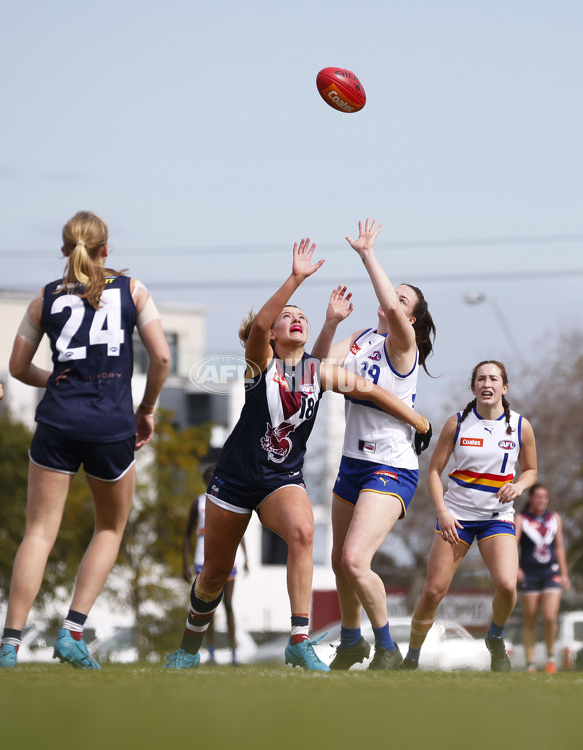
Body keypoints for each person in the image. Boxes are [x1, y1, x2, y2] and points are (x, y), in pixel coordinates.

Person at [163, 236, 431, 671]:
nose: (296, 319)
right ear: (271, 334)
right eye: (288, 317)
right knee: (213, 574)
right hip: (234, 478)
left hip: (279, 480)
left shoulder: (317, 371)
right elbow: (257, 328)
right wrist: (295, 279)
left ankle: (298, 639)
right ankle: (188, 649)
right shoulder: (259, 362)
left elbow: (371, 389)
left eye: (301, 316)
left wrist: (418, 421)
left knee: (305, 533)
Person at [0, 210, 171, 670]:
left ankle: (9, 647)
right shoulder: (133, 290)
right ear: (106, 250)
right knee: (110, 528)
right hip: (111, 428)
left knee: (38, 532)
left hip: (57, 422)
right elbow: (163, 357)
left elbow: (16, 368)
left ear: (63, 249)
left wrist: (56, 379)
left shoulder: (44, 299)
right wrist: (146, 410)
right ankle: (72, 632)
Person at [310, 218, 435, 670]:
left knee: (354, 559)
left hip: (391, 466)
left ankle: (386, 647)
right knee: (339, 562)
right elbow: (317, 367)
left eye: (402, 299)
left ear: (411, 317)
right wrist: (328, 323)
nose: (391, 301)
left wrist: (368, 255)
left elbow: (394, 310)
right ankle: (350, 640)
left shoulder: (403, 346)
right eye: (392, 295)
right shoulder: (363, 338)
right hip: (351, 463)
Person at [399, 360, 538, 672]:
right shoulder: (457, 423)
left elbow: (531, 470)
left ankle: (495, 637)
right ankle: (411, 657)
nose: (486, 384)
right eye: (480, 379)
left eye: (493, 379)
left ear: (505, 387)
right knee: (433, 591)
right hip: (457, 518)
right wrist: (443, 512)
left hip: (497, 517)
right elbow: (434, 472)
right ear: (473, 386)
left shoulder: (519, 426)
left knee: (506, 585)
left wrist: (518, 486)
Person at [183, 465, 249, 665]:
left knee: (229, 605)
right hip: (202, 561)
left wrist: (247, 558)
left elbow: (240, 531)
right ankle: (210, 653)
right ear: (205, 481)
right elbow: (186, 535)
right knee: (205, 607)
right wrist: (183, 564)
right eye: (210, 478)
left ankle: (234, 654)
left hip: (229, 559)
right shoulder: (199, 503)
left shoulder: (229, 500)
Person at [515, 483, 570, 673]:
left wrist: (564, 574)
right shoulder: (521, 519)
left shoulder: (554, 518)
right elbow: (513, 544)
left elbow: (560, 547)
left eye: (545, 497)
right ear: (530, 498)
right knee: (530, 618)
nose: (542, 500)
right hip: (529, 574)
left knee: (549, 616)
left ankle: (550, 658)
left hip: (550, 572)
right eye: (538, 496)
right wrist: (515, 568)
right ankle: (530, 663)